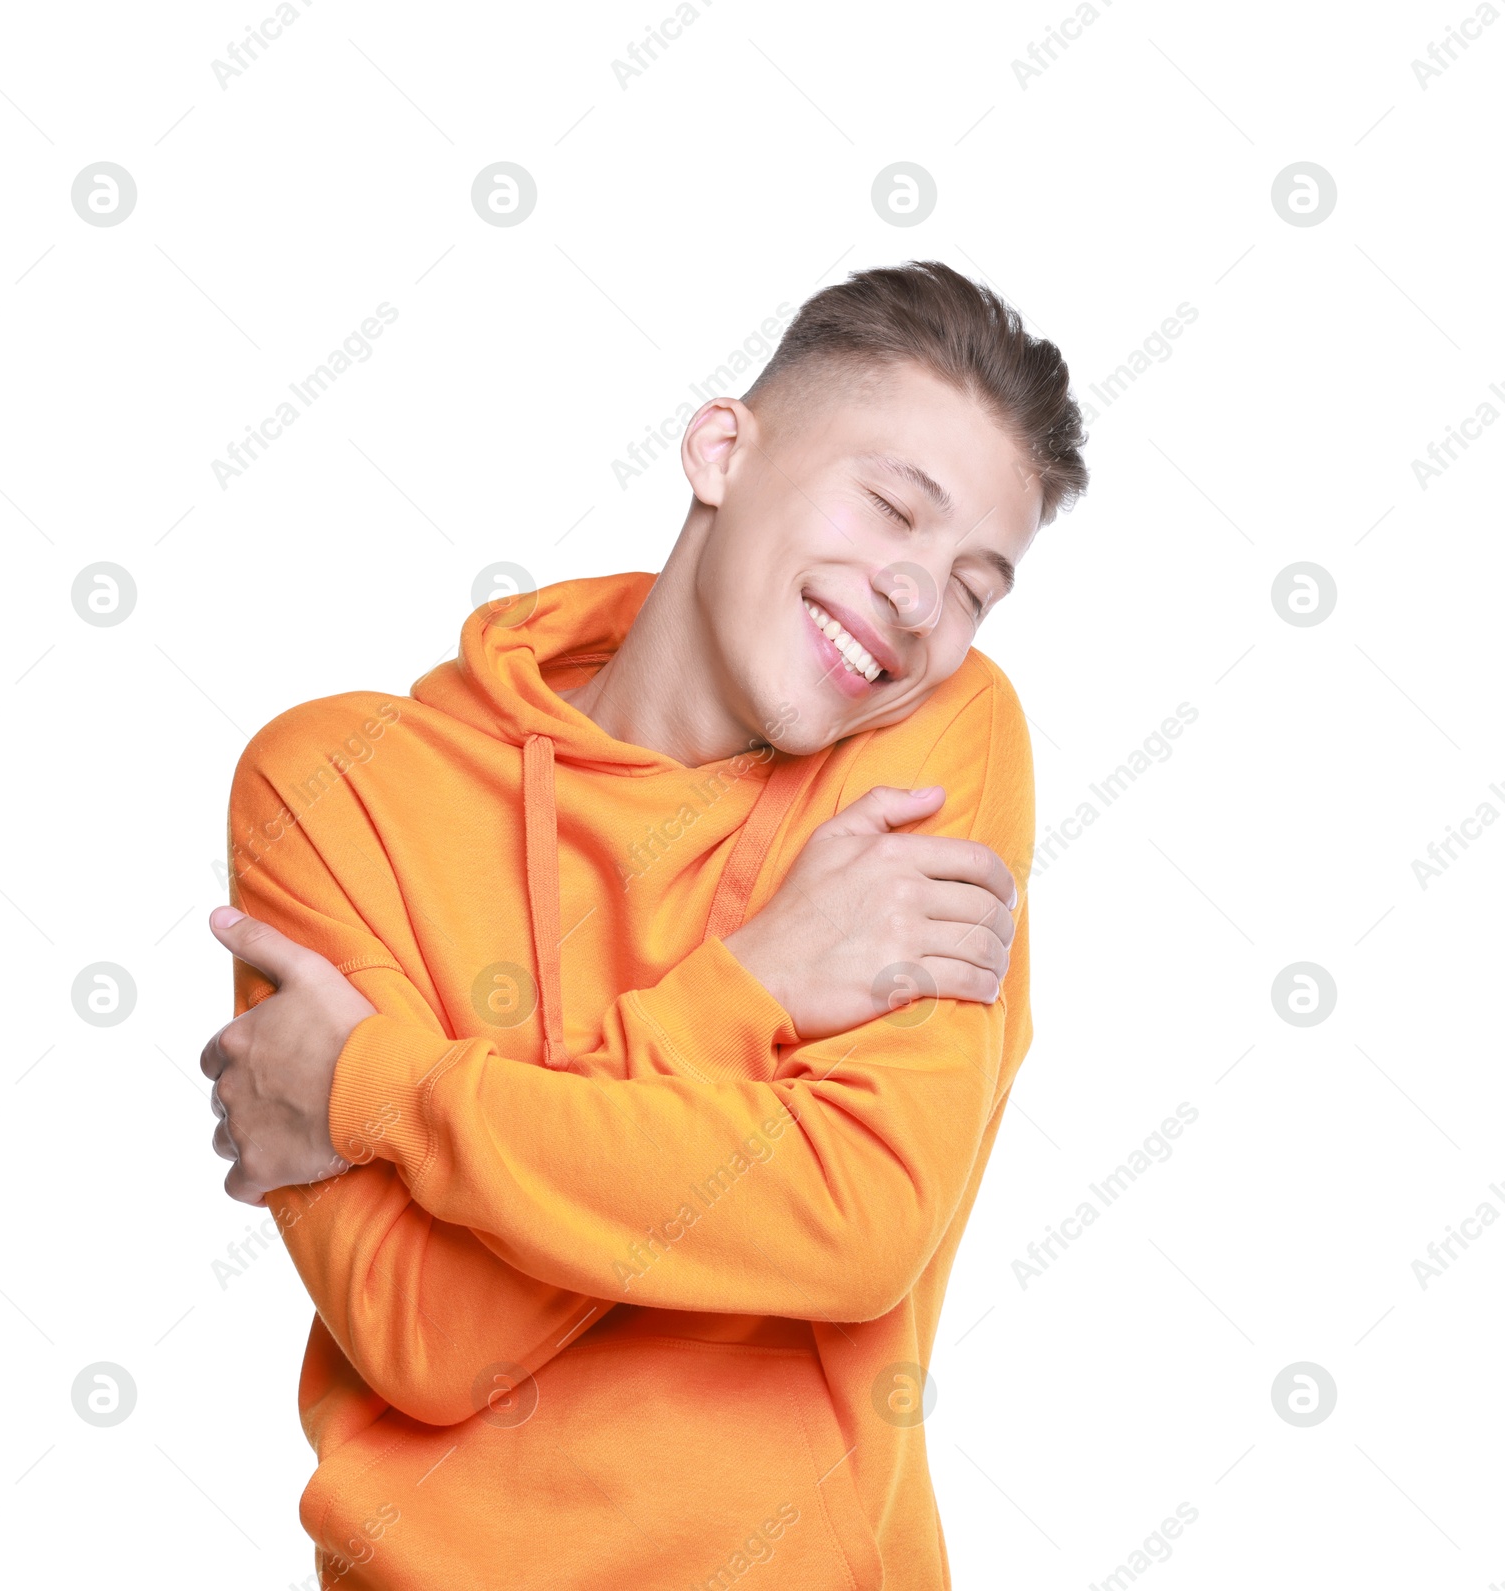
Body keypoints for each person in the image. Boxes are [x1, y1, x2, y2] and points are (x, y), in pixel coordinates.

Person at [200, 259, 1089, 1590]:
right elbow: (430, 1339)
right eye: (895, 509)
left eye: (974, 585)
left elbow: (853, 1227)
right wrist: (747, 991)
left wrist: (371, 1086)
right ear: (721, 450)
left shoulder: (934, 742)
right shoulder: (338, 784)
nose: (918, 601)